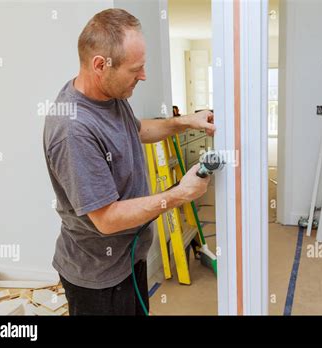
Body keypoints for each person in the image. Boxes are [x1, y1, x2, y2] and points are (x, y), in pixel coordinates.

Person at [43, 8, 215, 315]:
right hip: (97, 278)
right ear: (100, 65)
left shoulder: (110, 95)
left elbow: (138, 130)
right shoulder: (73, 130)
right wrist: (180, 194)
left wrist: (187, 121)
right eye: (135, 69)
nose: (143, 75)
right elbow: (106, 219)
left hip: (129, 259)